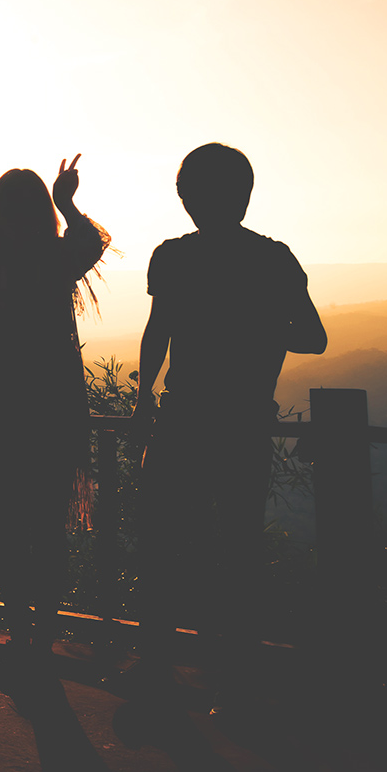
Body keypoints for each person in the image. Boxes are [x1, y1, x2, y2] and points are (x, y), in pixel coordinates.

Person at [132, 143, 326, 716]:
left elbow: (156, 333)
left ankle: (158, 671)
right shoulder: (274, 259)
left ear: (187, 195)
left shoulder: (170, 257)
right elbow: (312, 336)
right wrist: (261, 327)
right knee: (237, 550)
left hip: (182, 418)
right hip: (242, 423)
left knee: (166, 546)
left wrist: (144, 398)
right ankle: (233, 682)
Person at [0, 156, 109, 693]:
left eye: (26, 207)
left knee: (28, 527)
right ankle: (29, 633)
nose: (17, 218)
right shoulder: (54, 257)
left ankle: (31, 634)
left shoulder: (6, 261)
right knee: (26, 527)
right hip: (38, 407)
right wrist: (60, 205)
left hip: (15, 407)